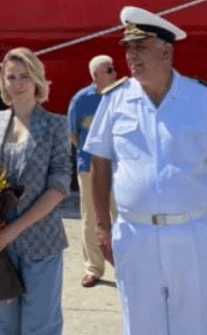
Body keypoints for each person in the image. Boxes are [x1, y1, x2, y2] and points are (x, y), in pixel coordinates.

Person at [84, 7, 207, 335]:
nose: (131, 57)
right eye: (128, 48)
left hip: (193, 232)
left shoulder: (202, 99)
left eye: (141, 47)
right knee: (140, 323)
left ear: (167, 51)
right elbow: (100, 163)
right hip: (134, 233)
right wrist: (102, 226)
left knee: (194, 323)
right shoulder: (115, 100)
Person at [0, 47, 71, 335]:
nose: (16, 84)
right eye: (10, 77)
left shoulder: (56, 125)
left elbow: (59, 186)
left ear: (37, 80)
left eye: (23, 77)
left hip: (39, 240)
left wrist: (14, 231)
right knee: (1, 326)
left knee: (40, 326)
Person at [68, 54, 118, 287]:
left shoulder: (121, 97)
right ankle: (93, 269)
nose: (114, 73)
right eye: (109, 70)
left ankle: (125, 266)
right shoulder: (80, 100)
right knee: (91, 219)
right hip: (89, 168)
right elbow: (74, 135)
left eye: (114, 69)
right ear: (95, 75)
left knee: (120, 217)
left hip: (119, 169)